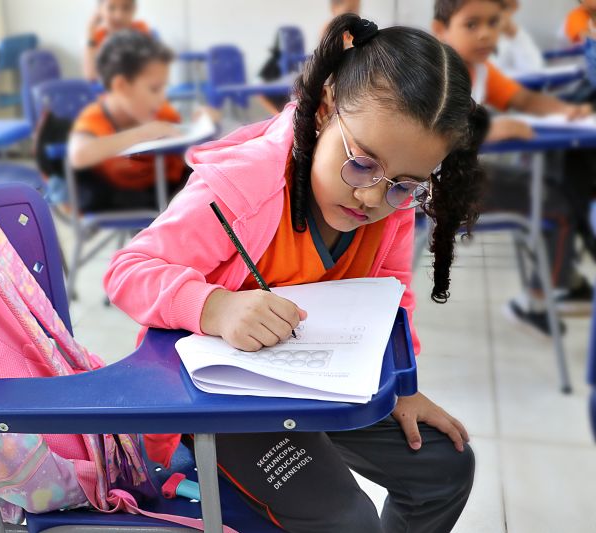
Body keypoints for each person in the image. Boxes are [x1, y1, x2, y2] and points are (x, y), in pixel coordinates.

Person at [105, 14, 484, 532]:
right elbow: (127, 271)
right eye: (362, 163)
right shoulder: (242, 186)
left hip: (323, 385)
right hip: (228, 402)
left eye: (404, 183)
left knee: (445, 467)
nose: (374, 197)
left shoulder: (390, 203)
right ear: (326, 110)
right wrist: (214, 307)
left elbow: (392, 297)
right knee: (347, 520)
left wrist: (405, 385)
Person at [434, 0, 595, 332]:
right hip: (434, 187)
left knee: (551, 187)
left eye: (493, 24)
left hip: (462, 175)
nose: (485, 35)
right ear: (440, 30)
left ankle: (557, 281)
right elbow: (428, 130)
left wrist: (566, 111)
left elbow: (525, 100)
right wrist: (490, 130)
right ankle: (539, 300)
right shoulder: (437, 71)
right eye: (472, 25)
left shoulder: (481, 70)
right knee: (557, 206)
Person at [68, 30, 187, 212]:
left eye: (164, 88)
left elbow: (181, 133)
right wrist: (141, 134)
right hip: (128, 197)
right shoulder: (95, 116)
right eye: (154, 89)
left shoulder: (156, 111)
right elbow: (79, 154)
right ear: (121, 86)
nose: (161, 97)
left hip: (163, 190)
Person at [83, 0, 150, 82]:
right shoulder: (97, 36)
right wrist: (90, 33)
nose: (119, 16)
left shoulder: (140, 30)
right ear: (100, 10)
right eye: (111, 8)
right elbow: (91, 76)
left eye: (126, 8)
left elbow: (147, 72)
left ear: (134, 9)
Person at [491, 0, 544, 74]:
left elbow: (534, 71)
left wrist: (512, 32)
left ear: (514, 8)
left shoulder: (516, 37)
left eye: (503, 7)